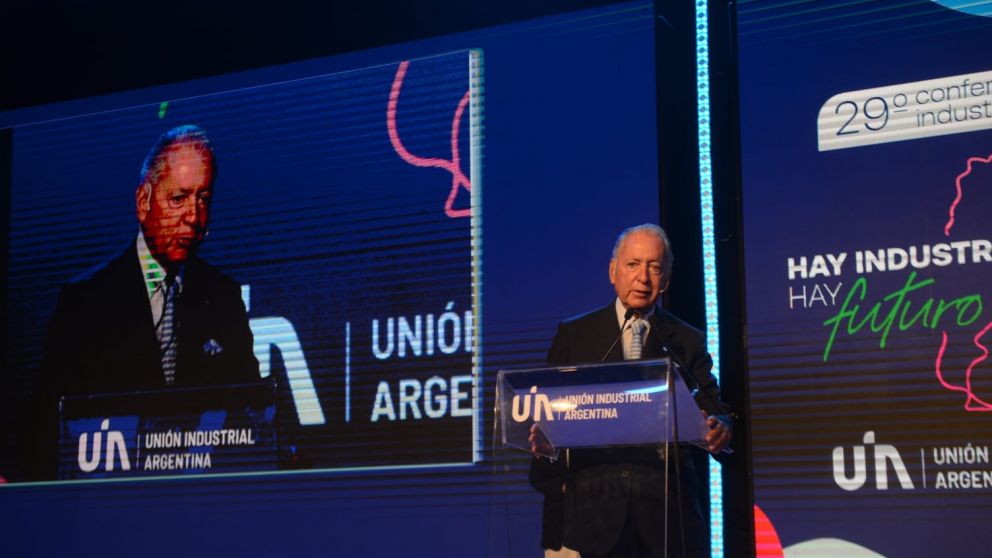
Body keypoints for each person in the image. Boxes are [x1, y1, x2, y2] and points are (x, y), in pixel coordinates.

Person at [529, 223, 732, 558]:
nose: (643, 278)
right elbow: (546, 415)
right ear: (613, 271)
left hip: (665, 524)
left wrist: (720, 429)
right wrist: (551, 461)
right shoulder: (574, 335)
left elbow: (716, 410)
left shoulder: (685, 340)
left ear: (666, 279)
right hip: (589, 520)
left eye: (655, 267)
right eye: (633, 265)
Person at [41, 124, 259, 397]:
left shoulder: (223, 298)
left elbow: (251, 409)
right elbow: (48, 419)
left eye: (203, 199)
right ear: (143, 202)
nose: (194, 216)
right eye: (179, 199)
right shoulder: (85, 300)